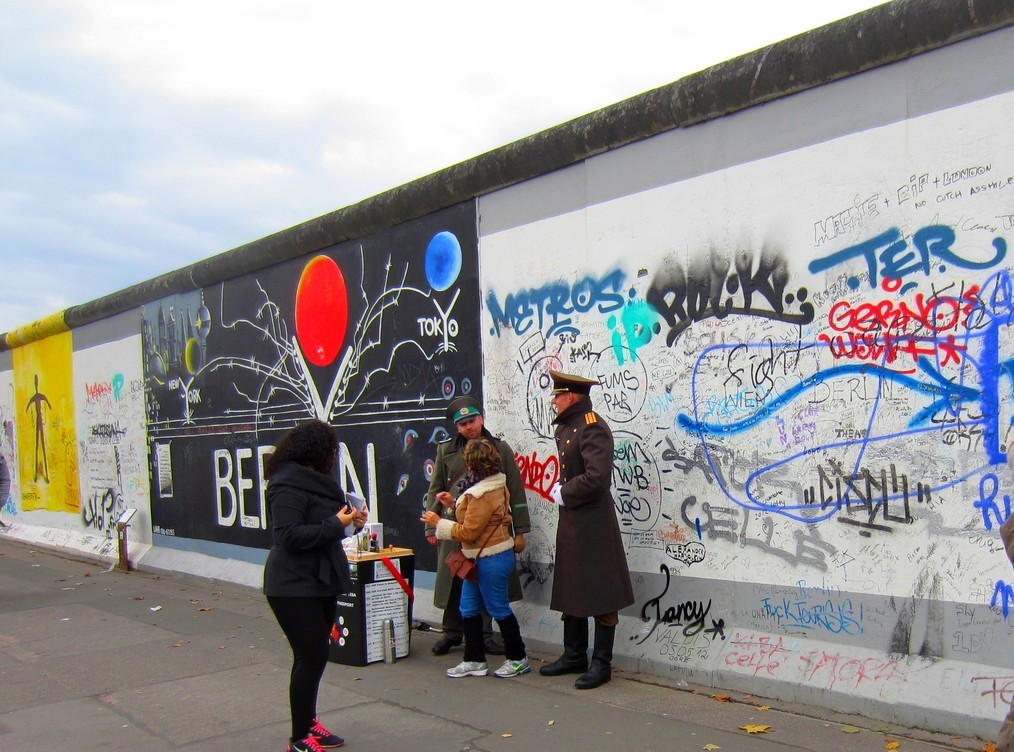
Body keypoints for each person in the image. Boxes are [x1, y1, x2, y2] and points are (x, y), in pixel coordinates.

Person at [263, 419, 366, 752]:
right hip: (292, 583)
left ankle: (309, 724)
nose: (332, 458)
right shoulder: (286, 484)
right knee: (311, 656)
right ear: (317, 450)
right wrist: (336, 522)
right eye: (330, 451)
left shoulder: (321, 483)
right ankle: (298, 738)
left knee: (316, 655)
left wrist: (352, 523)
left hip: (322, 579)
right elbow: (288, 536)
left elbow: (330, 529)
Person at [540, 369, 634, 690]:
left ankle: (601, 664)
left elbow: (597, 478)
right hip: (574, 523)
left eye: (557, 396)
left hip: (593, 525)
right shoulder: (570, 426)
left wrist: (563, 492)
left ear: (571, 397)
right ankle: (574, 655)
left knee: (602, 593)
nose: (553, 402)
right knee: (573, 587)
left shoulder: (592, 427)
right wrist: (562, 488)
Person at [423, 395, 530, 656]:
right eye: (462, 424)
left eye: (472, 421)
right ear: (457, 427)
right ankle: (451, 633)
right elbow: (435, 488)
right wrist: (430, 526)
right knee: (455, 578)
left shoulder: (499, 448)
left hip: (487, 530)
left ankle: (484, 635)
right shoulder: (445, 450)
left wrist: (521, 531)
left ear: (481, 418)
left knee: (481, 579)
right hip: (453, 521)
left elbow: (515, 490)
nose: (469, 427)